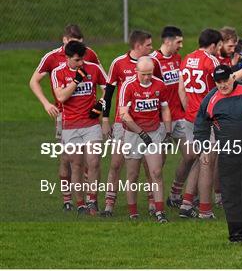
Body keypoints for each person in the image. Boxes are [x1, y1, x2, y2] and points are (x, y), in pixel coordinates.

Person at [29, 24, 101, 211]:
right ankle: (68, 200)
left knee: (90, 161)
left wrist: (101, 106)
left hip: (88, 116)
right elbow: (34, 81)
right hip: (65, 116)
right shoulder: (52, 58)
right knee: (68, 160)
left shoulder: (88, 55)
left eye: (79, 43)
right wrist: (46, 103)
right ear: (64, 40)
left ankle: (89, 199)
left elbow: (103, 81)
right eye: (72, 42)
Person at [194, 65, 242, 245]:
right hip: (226, 154)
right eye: (219, 82)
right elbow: (201, 125)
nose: (223, 85)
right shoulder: (211, 99)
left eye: (225, 80)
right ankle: (236, 235)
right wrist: (203, 148)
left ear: (232, 77)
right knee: (230, 196)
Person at [100, 30, 162, 217]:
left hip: (149, 124)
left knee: (148, 165)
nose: (152, 49)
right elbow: (109, 93)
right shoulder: (118, 63)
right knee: (116, 164)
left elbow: (158, 90)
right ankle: (109, 204)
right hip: (123, 123)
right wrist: (104, 119)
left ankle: (153, 202)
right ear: (138, 46)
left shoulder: (153, 63)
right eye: (149, 45)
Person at [51, 40, 107, 215]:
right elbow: (61, 97)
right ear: (67, 58)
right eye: (76, 60)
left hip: (91, 124)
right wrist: (76, 80)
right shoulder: (58, 72)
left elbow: (109, 88)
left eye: (82, 59)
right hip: (71, 126)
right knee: (75, 164)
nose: (81, 63)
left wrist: (100, 104)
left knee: (94, 162)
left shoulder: (94, 69)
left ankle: (92, 201)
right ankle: (80, 203)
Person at [118, 56, 172, 222]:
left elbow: (165, 109)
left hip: (154, 132)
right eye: (144, 74)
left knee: (156, 172)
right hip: (134, 134)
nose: (147, 77)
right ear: (136, 71)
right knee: (133, 174)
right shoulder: (128, 86)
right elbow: (123, 114)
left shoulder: (160, 85)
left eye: (150, 73)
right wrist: (140, 132)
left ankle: (159, 211)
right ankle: (133, 212)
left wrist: (168, 132)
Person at [178, 28, 222, 219]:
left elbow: (181, 89)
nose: (219, 50)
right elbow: (225, 85)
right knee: (207, 163)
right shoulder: (210, 60)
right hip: (207, 119)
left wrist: (191, 110)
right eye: (218, 46)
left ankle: (187, 204)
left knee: (198, 158)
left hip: (191, 117)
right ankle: (205, 210)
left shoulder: (187, 58)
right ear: (213, 45)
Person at [149, 26, 191, 209]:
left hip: (179, 116)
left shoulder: (177, 58)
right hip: (161, 121)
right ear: (167, 41)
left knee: (190, 155)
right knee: (159, 162)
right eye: (178, 42)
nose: (181, 46)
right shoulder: (152, 62)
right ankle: (153, 200)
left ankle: (175, 193)